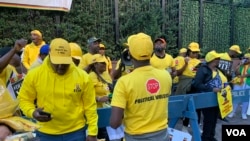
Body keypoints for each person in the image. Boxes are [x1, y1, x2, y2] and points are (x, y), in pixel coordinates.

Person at [18, 38, 98, 141]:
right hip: (45, 133)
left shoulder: (83, 77)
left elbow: (90, 106)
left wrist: (92, 132)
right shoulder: (34, 75)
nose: (61, 66)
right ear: (49, 56)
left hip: (76, 132)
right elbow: (24, 99)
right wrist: (32, 112)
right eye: (57, 62)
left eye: (65, 62)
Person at [110, 33, 172, 141]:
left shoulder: (124, 82)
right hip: (162, 135)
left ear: (129, 54)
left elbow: (115, 123)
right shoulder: (166, 76)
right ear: (152, 52)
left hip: (135, 136)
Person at [192, 50, 227, 141]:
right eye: (217, 58)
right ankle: (206, 138)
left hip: (217, 98)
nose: (219, 60)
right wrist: (211, 89)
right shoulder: (203, 70)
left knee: (214, 118)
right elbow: (197, 84)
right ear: (212, 60)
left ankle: (211, 136)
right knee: (209, 119)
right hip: (206, 98)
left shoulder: (217, 69)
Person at [174, 42, 202, 133]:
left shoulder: (199, 62)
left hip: (196, 86)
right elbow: (178, 73)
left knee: (198, 107)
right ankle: (184, 127)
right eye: (193, 52)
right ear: (188, 52)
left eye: (196, 52)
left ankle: (197, 126)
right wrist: (185, 64)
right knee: (186, 107)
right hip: (185, 85)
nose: (195, 54)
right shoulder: (182, 59)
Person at [88, 54, 113, 141]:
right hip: (98, 111)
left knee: (110, 136)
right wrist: (98, 98)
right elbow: (87, 95)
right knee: (103, 135)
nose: (104, 65)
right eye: (101, 63)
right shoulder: (91, 76)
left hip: (107, 109)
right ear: (95, 64)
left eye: (105, 63)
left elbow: (109, 88)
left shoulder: (106, 74)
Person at [228, 53, 250, 119]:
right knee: (236, 97)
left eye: (247, 58)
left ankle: (243, 113)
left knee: (245, 99)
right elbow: (236, 73)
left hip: (247, 83)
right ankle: (233, 112)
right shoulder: (241, 65)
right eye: (244, 58)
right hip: (238, 83)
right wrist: (240, 65)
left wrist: (243, 76)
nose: (245, 59)